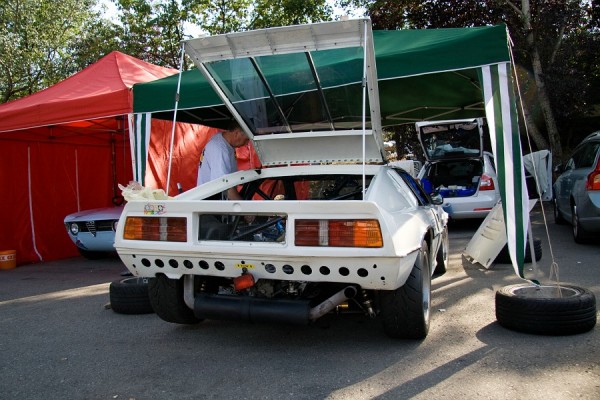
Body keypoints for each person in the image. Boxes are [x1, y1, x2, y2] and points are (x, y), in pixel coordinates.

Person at [197, 122, 250, 200]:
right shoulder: (220, 149)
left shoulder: (223, 142)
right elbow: (225, 185)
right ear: (236, 133)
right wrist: (244, 207)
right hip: (211, 203)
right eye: (246, 139)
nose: (247, 143)